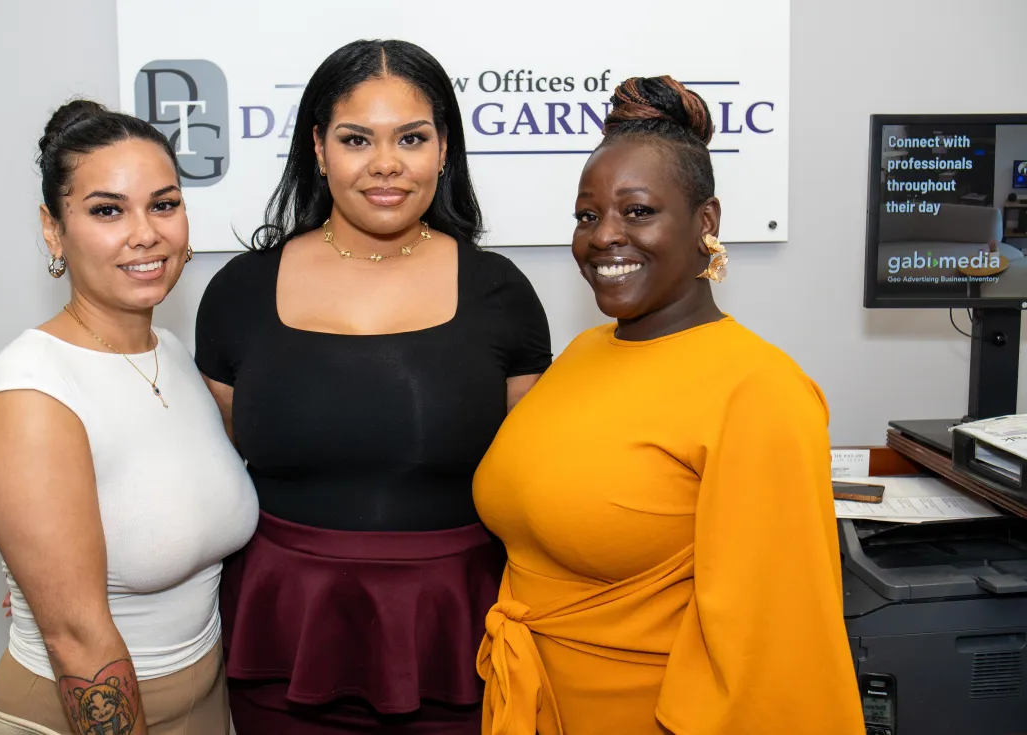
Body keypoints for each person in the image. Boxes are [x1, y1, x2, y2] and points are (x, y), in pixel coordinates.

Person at [473, 76, 865, 734]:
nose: (604, 236)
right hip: (530, 705)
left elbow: (773, 645)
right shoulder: (583, 353)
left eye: (638, 211)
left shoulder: (760, 390)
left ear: (705, 223)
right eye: (587, 215)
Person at [195, 39, 552, 734]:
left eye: (411, 138)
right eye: (357, 139)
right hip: (285, 637)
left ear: (444, 149)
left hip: (457, 636)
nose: (385, 163)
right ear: (318, 147)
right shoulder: (239, 293)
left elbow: (531, 485)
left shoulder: (501, 294)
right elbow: (208, 473)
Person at [0, 99, 258, 735]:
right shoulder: (34, 392)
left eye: (164, 204)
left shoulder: (172, 355)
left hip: (206, 703)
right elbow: (76, 638)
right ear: (53, 230)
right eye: (108, 210)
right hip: (84, 715)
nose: (145, 233)